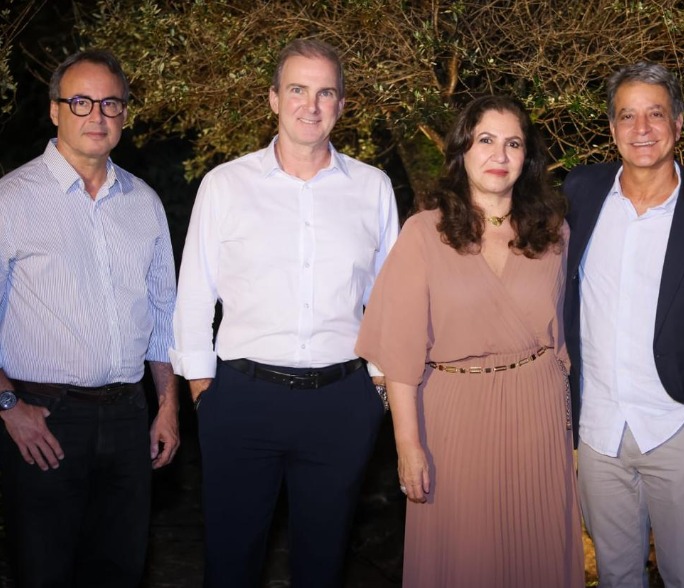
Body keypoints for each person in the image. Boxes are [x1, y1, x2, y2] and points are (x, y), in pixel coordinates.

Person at [170, 38, 398, 587]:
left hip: (341, 403)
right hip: (242, 401)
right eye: (297, 89)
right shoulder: (225, 185)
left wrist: (378, 387)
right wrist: (203, 391)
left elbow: (391, 300)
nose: (310, 105)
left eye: (325, 93)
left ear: (341, 104)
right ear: (274, 98)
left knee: (323, 566)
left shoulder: (372, 188)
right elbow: (195, 293)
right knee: (231, 564)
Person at [356, 95, 584, 587]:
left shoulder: (554, 233)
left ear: (528, 157)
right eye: (486, 140)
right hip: (453, 418)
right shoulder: (424, 233)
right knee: (462, 560)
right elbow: (399, 352)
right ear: (462, 149)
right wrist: (408, 444)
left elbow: (563, 337)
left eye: (513, 143)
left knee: (537, 551)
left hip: (539, 415)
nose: (500, 155)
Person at [563, 62, 684, 587]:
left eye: (655, 114)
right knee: (616, 577)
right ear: (612, 128)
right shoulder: (579, 193)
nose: (641, 128)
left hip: (681, 430)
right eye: (627, 115)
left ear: (678, 122)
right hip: (598, 433)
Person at [0, 50, 179, 587]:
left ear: (124, 113)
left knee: (120, 571)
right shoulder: (12, 200)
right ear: (55, 110)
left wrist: (168, 407)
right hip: (44, 417)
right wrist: (8, 406)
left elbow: (164, 316)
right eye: (81, 102)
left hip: (128, 418)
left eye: (110, 103)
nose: (97, 115)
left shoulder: (144, 203)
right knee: (43, 572)